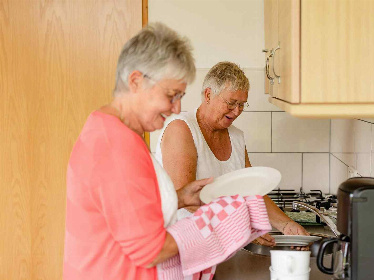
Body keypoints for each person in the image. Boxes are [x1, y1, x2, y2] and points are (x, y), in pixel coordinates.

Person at [63, 23, 268, 280]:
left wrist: (178, 198)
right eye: (171, 95)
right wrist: (220, 222)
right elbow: (151, 250)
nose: (176, 107)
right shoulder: (118, 146)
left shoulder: (105, 126)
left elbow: (123, 212)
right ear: (136, 82)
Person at [156, 62, 309, 249]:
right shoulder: (182, 129)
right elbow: (186, 200)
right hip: (184, 247)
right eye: (231, 103)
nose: (236, 111)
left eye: (242, 105)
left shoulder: (236, 137)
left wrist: (286, 225)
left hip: (220, 245)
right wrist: (239, 229)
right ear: (208, 95)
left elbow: (252, 191)